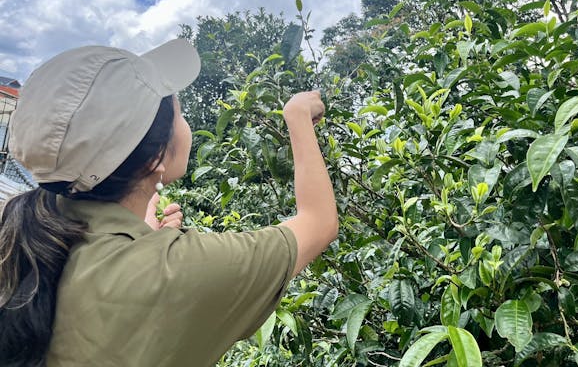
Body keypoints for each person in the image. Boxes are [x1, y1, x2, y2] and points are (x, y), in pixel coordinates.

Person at [0, 39, 338, 366]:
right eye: (179, 112)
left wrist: (141, 238)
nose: (185, 123)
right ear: (155, 158)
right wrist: (297, 117)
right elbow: (318, 221)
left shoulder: (23, 229)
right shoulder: (179, 271)